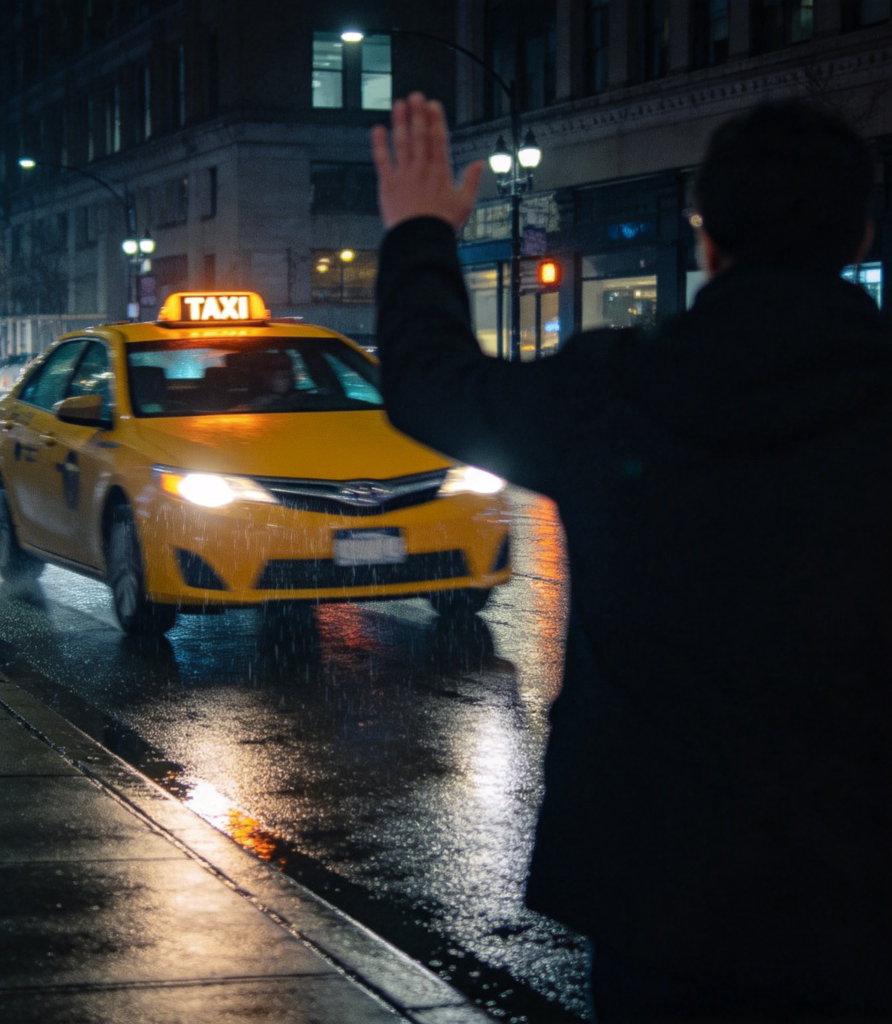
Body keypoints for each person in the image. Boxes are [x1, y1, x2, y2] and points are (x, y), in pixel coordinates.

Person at [371, 93, 891, 1022]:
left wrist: (420, 232)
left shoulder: (613, 387)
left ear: (708, 240)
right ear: (859, 234)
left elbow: (430, 384)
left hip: (659, 883)